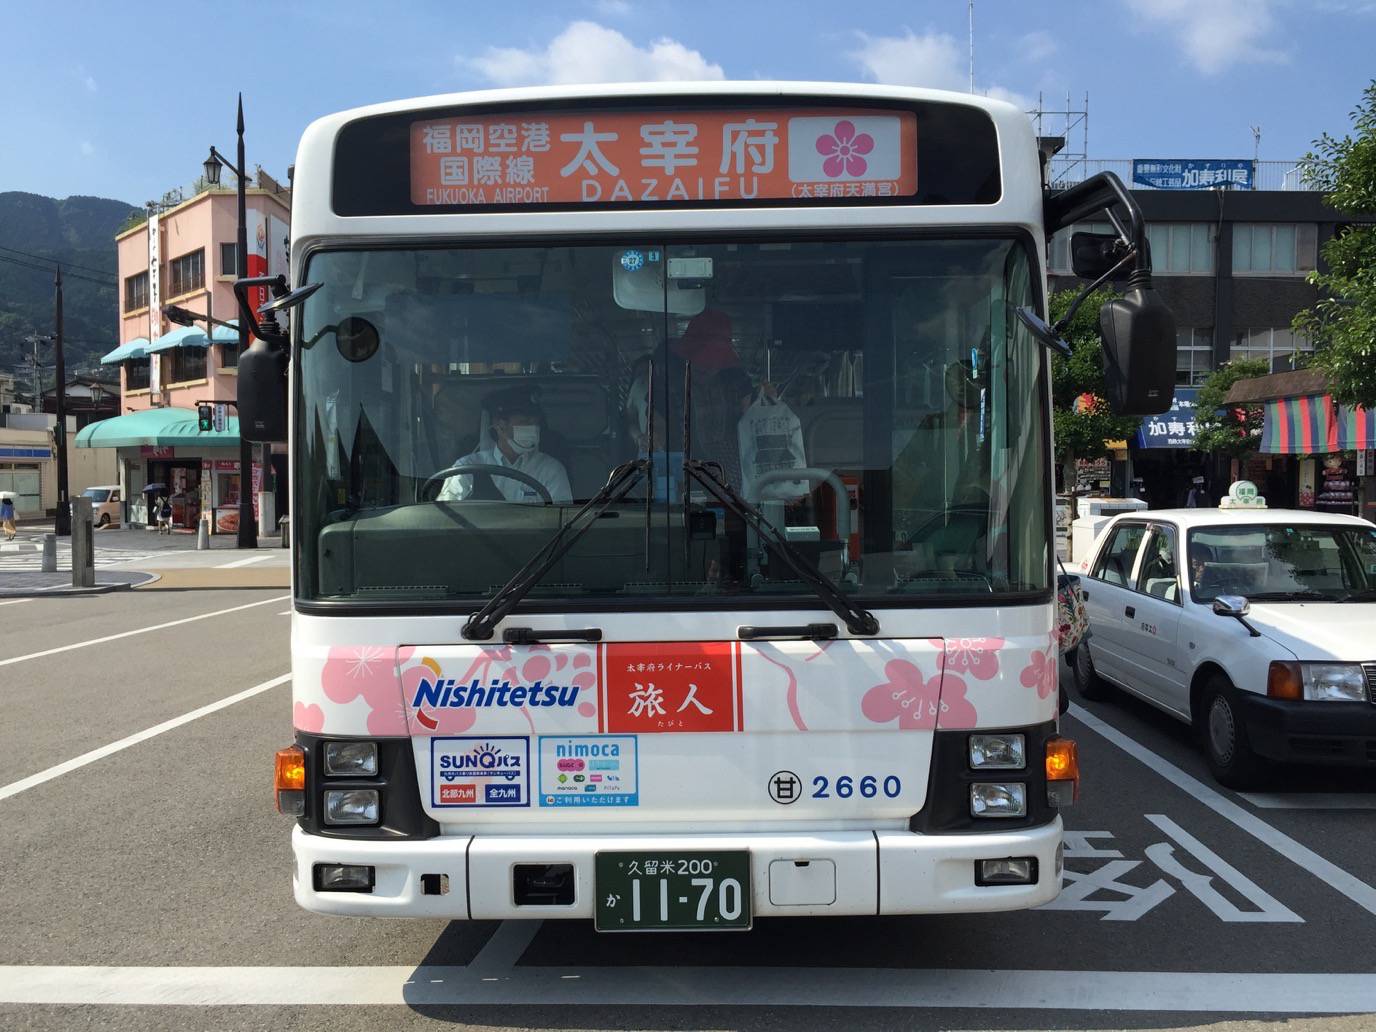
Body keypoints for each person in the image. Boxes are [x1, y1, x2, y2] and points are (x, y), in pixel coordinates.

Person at [437, 387, 572, 503]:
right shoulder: (467, 468)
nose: (532, 428)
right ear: (500, 426)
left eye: (535, 423)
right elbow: (445, 518)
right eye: (524, 422)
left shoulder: (551, 470)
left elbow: (562, 521)